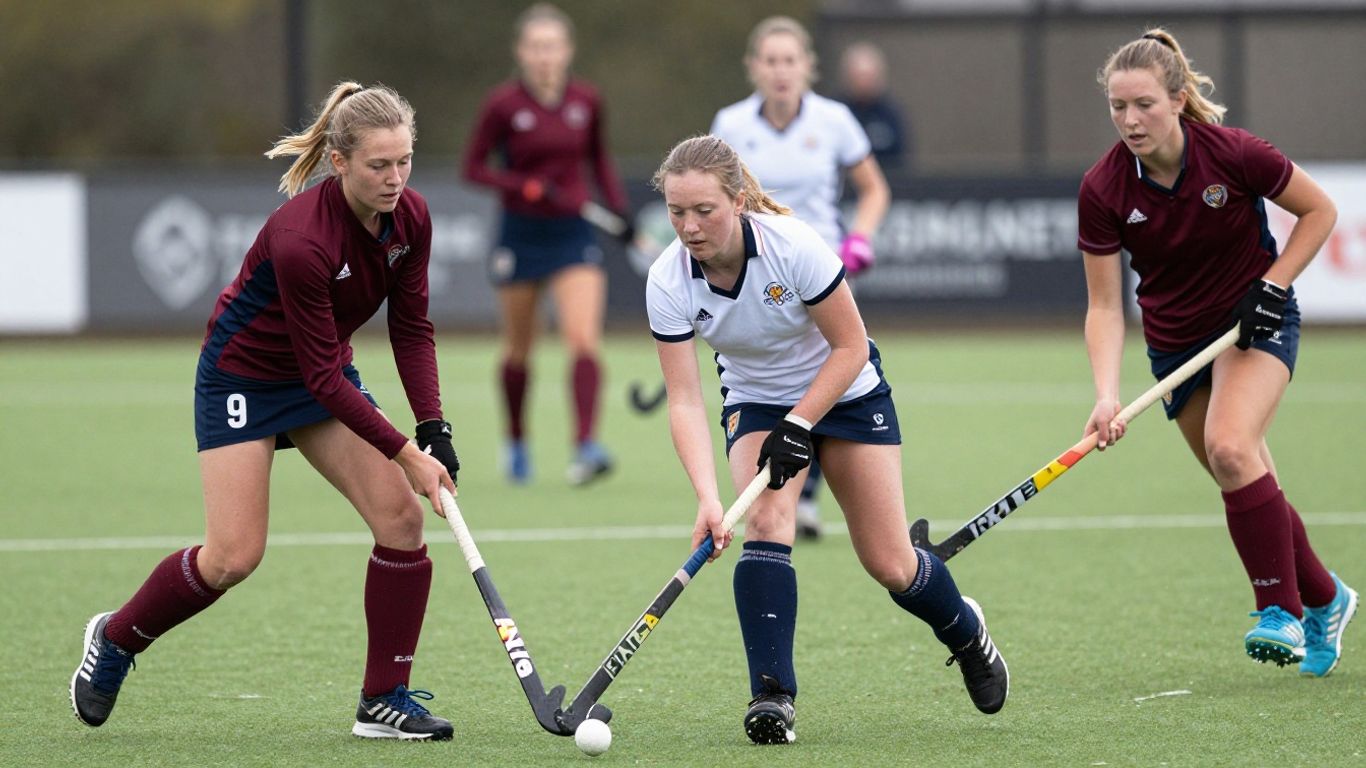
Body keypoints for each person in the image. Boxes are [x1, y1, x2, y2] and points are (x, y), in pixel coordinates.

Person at [69, 82, 463, 739]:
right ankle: (116, 637)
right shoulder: (302, 238)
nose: (395, 179)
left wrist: (433, 428)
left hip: (320, 373)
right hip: (243, 377)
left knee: (400, 520)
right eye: (378, 165)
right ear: (339, 162)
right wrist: (405, 454)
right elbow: (322, 378)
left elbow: (411, 327)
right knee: (232, 557)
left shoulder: (411, 218)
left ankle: (382, 699)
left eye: (404, 162)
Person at [646, 135, 1007, 744]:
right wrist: (707, 497)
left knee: (891, 564)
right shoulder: (667, 279)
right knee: (764, 521)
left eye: (704, 210)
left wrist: (800, 422)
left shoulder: (792, 245)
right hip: (757, 399)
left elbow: (851, 346)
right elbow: (683, 399)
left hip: (846, 391)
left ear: (737, 201)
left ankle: (966, 632)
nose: (689, 227)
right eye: (676, 212)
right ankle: (772, 696)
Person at [1078, 28, 1356, 676]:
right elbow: (1105, 307)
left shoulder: (1234, 154)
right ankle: (1328, 599)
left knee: (1231, 449)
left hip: (1250, 326)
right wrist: (1106, 394)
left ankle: (1280, 611)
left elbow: (1319, 212)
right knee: (1249, 480)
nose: (1130, 120)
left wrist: (1273, 285)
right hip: (1175, 348)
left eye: (1144, 104)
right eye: (1118, 107)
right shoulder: (1103, 188)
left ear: (1177, 100)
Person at [710, 16, 891, 539]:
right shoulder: (731, 124)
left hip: (820, 271)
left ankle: (806, 492)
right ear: (754, 67)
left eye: (790, 60)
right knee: (774, 376)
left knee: (827, 370)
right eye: (770, 61)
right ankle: (795, 492)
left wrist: (860, 238)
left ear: (807, 66)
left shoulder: (834, 121)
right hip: (757, 273)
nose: (780, 71)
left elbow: (874, 189)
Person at [463, 2, 630, 486]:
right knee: (519, 349)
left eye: (552, 47)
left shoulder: (586, 100)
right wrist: (524, 186)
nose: (544, 56)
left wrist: (617, 207)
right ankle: (516, 441)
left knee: (583, 339)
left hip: (573, 234)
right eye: (536, 47)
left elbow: (599, 159)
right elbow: (473, 168)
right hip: (520, 235)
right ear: (521, 51)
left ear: (567, 50)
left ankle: (585, 446)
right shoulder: (502, 105)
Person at [838, 41, 908, 172]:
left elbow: (902, 157)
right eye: (859, 76)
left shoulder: (891, 113)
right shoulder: (837, 112)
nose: (864, 82)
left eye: (868, 76)